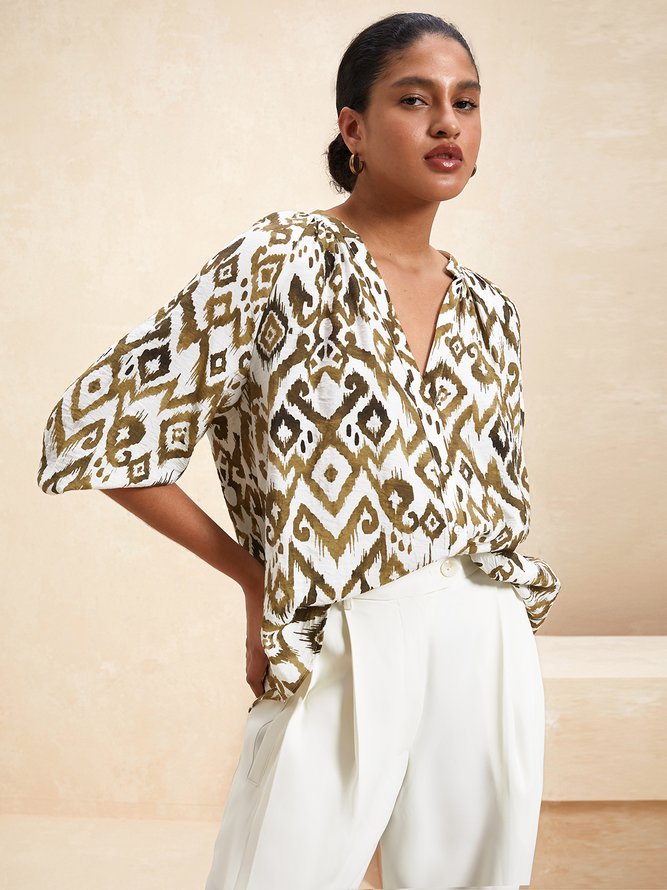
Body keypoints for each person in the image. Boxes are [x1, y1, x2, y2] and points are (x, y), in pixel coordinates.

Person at [36, 11, 561, 890]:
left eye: (465, 103)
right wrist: (255, 579)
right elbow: (95, 431)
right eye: (413, 100)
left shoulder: (489, 309)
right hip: (341, 623)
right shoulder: (279, 259)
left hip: (486, 626)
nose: (446, 123)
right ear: (352, 127)